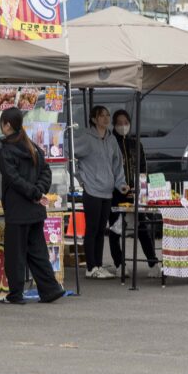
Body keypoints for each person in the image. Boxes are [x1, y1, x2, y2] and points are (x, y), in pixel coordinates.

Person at [0, 107, 66, 305]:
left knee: (15, 255)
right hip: (35, 210)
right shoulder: (32, 146)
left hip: (18, 210)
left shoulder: (7, 150)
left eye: (2, 123)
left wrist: (35, 193)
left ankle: (15, 294)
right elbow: (46, 172)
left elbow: (14, 179)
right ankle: (50, 289)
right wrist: (39, 191)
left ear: (7, 125)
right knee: (38, 252)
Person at [73, 105, 128, 279]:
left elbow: (117, 163)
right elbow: (68, 153)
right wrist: (81, 178)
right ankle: (91, 267)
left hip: (108, 191)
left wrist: (121, 183)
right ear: (94, 119)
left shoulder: (111, 139)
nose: (106, 118)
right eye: (102, 116)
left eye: (107, 115)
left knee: (100, 230)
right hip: (92, 190)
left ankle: (98, 264)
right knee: (92, 229)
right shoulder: (86, 138)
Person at [106, 109, 161, 277]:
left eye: (126, 123)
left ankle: (153, 263)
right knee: (115, 229)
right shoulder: (110, 143)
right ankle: (119, 264)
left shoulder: (136, 144)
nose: (123, 126)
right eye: (119, 123)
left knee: (142, 227)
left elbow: (142, 168)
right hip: (116, 193)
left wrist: (141, 187)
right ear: (114, 124)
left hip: (135, 193)